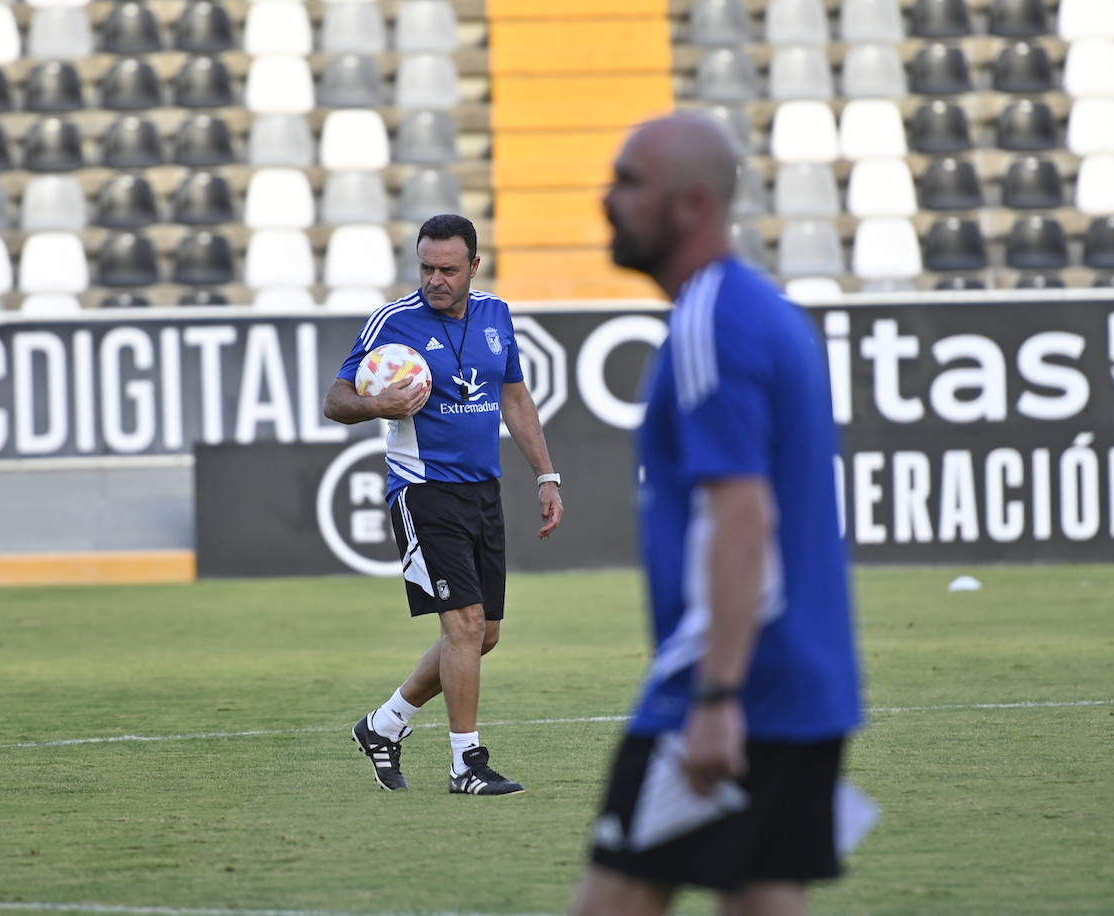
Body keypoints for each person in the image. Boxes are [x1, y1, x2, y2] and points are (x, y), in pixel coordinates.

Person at [572, 114, 865, 916]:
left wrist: (714, 698)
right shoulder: (760, 311)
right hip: (801, 682)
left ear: (691, 205)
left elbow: (742, 518)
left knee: (615, 901)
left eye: (630, 182)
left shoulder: (712, 320)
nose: (607, 199)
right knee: (764, 897)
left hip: (733, 686)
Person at [323, 213, 564, 796]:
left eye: (448, 269)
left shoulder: (496, 316)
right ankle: (466, 764)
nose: (436, 279)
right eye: (426, 267)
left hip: (483, 490)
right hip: (422, 491)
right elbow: (336, 399)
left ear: (473, 267)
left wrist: (546, 475)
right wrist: (377, 406)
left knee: (485, 636)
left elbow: (515, 397)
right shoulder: (393, 322)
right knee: (463, 626)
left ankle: (384, 724)